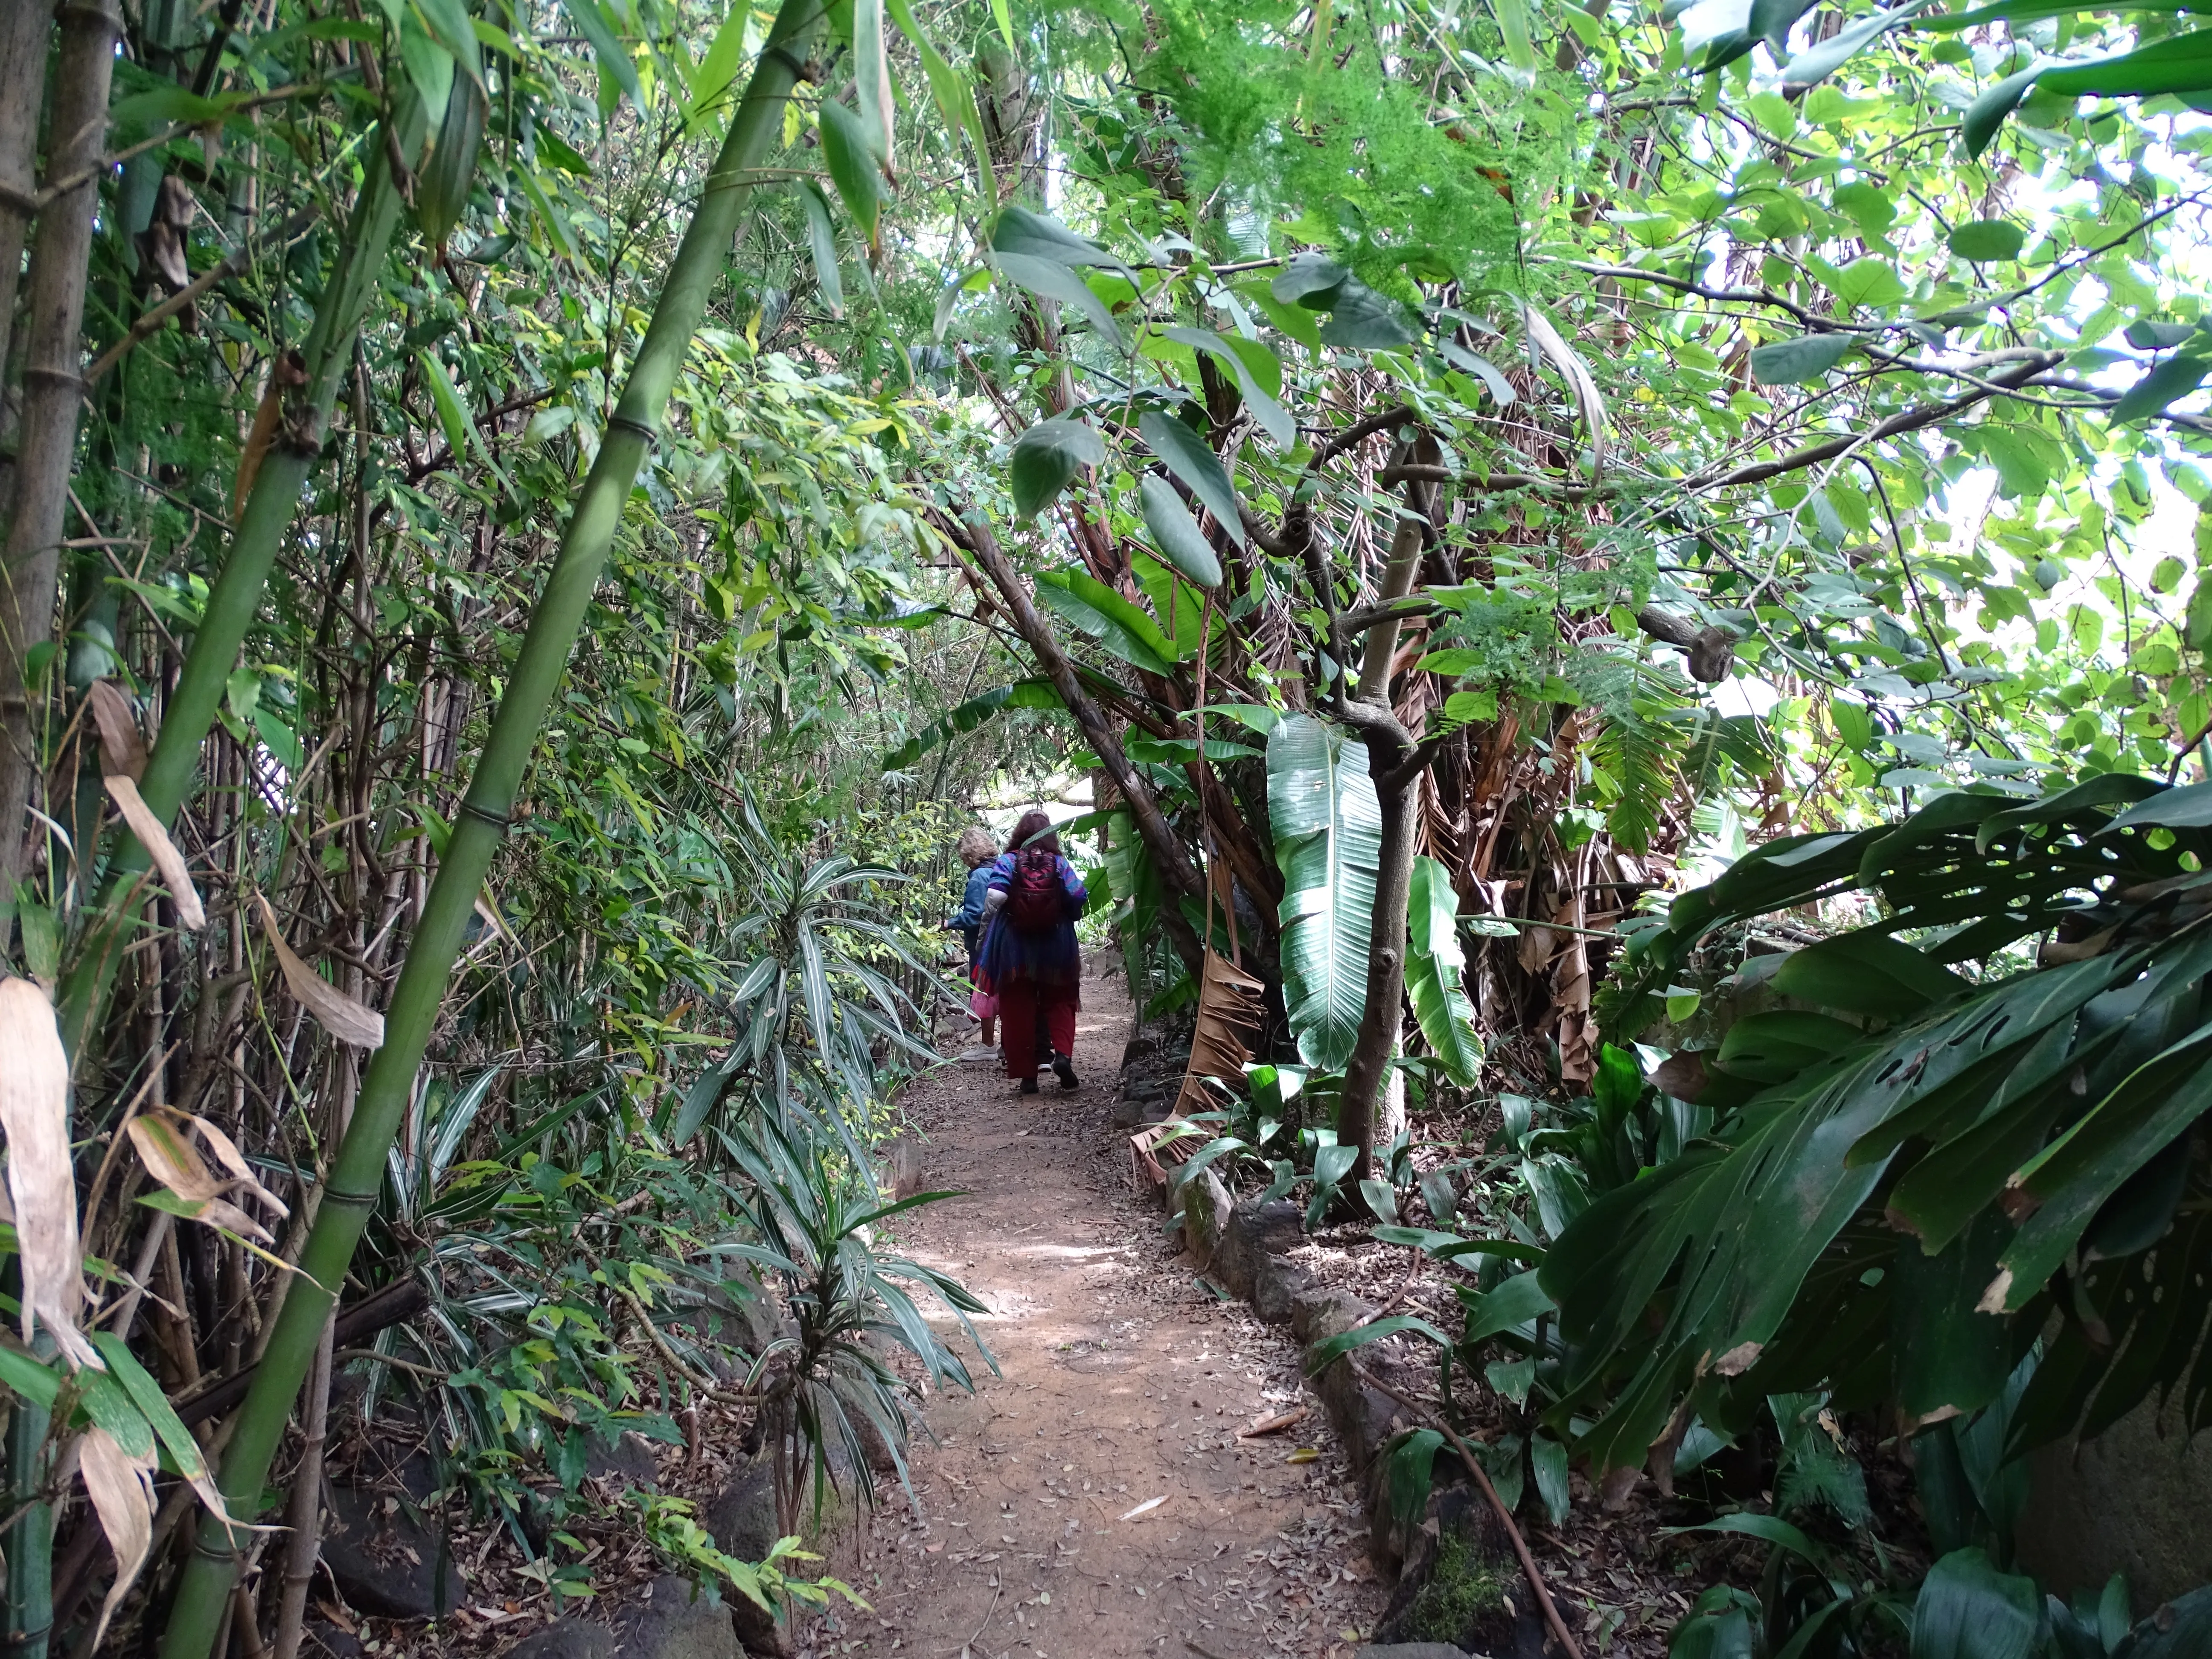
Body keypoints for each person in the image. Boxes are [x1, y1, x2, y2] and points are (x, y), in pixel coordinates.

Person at [979, 809, 1086, 1096]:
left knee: (1017, 1007)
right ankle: (1062, 1056)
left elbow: (995, 895)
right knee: (1061, 1000)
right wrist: (1064, 914)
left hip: (1014, 946)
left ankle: (1028, 1077)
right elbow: (1078, 895)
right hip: (1056, 943)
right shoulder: (1059, 863)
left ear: (1019, 833)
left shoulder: (1009, 860)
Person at [944, 825, 998, 1049]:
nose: (964, 861)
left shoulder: (979, 876)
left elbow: (976, 915)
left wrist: (949, 923)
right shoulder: (1001, 868)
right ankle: (1008, 1045)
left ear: (971, 853)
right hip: (1004, 939)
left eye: (964, 856)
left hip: (984, 942)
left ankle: (987, 1044)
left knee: (984, 990)